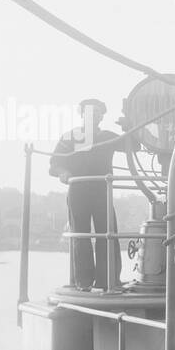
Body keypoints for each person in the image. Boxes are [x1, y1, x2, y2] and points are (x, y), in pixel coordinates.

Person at [50, 99, 122, 290]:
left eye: (98, 113)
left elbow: (134, 145)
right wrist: (63, 173)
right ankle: (83, 282)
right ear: (81, 114)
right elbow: (54, 164)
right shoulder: (70, 137)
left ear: (102, 117)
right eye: (89, 112)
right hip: (78, 190)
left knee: (107, 235)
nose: (93, 116)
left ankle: (108, 280)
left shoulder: (108, 136)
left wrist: (129, 127)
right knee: (80, 235)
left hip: (102, 191)